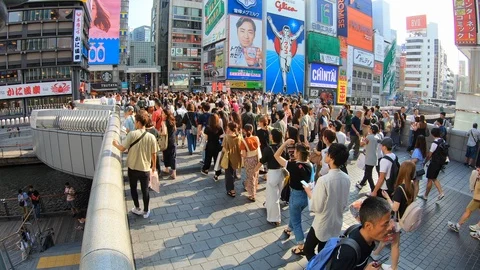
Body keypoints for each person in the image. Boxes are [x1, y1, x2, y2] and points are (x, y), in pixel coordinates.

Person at [303, 143, 350, 261]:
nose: (325, 155)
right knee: (325, 253)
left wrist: (308, 191)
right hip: (336, 223)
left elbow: (316, 206)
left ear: (332, 158)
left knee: (308, 249)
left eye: (328, 153)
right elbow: (344, 203)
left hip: (322, 223)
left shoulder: (324, 180)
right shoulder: (346, 178)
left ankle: (315, 266)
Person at [112, 112, 159, 218]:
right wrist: (154, 166)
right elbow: (154, 154)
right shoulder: (151, 136)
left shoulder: (132, 134)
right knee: (145, 190)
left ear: (138, 122)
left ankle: (137, 208)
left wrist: (115, 144)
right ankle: (146, 210)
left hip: (132, 167)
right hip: (145, 168)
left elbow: (122, 148)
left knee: (133, 188)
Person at [371, 161, 416, 270]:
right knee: (387, 236)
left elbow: (395, 208)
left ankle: (393, 267)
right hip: (403, 219)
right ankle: (376, 253)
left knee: (395, 244)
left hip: (396, 221)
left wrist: (387, 198)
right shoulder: (412, 185)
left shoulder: (400, 189)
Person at [328, 196, 393, 270]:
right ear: (368, 226)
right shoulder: (348, 252)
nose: (390, 227)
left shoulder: (367, 238)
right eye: (385, 224)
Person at [274, 139, 312, 255]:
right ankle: (289, 229)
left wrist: (284, 143)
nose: (293, 152)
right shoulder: (309, 164)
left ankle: (301, 245)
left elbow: (276, 155)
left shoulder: (293, 166)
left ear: (298, 153)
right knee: (295, 214)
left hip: (296, 196)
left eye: (295, 151)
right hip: (306, 196)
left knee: (297, 222)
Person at [255, 129, 289, 226]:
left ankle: (275, 218)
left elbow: (262, 161)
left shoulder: (268, 149)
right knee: (276, 195)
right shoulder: (282, 148)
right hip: (281, 173)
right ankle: (268, 206)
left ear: (272, 137)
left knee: (273, 197)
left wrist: (255, 170)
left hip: (273, 173)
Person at [266, 16, 304, 93]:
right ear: (283, 31)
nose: (286, 32)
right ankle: (285, 84)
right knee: (283, 70)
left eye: (287, 31)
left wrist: (300, 29)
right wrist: (270, 22)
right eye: (285, 30)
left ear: (289, 32)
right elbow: (275, 31)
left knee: (289, 62)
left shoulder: (290, 39)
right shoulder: (281, 37)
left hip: (288, 54)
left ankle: (288, 66)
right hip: (282, 54)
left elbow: (297, 35)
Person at [447, 166, 480, 235]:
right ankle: (478, 229)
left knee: (468, 210)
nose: (477, 169)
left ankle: (458, 226)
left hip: (478, 198)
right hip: (477, 197)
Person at [418, 127, 445, 202]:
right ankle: (440, 192)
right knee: (434, 178)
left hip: (434, 163)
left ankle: (426, 195)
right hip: (440, 163)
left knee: (430, 179)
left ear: (432, 134)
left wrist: (424, 162)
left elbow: (429, 155)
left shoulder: (434, 143)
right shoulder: (442, 140)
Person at [240, 124, 261, 201]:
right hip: (256, 158)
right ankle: (255, 189)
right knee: (256, 175)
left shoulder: (244, 141)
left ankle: (252, 195)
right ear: (252, 130)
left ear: (244, 131)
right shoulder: (256, 138)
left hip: (248, 160)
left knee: (250, 176)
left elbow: (244, 154)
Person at [357, 124, 380, 191]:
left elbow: (361, 144)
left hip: (369, 158)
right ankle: (361, 184)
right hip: (374, 158)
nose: (369, 129)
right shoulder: (377, 137)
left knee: (368, 175)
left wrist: (360, 138)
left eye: (370, 128)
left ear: (372, 130)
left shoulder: (369, 137)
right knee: (367, 172)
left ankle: (373, 189)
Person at [201, 114, 224, 181]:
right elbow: (221, 137)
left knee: (208, 158)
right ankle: (216, 174)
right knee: (217, 161)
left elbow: (205, 138)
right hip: (217, 145)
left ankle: (205, 169)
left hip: (209, 145)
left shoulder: (207, 128)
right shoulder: (219, 127)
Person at [223, 122, 242, 198]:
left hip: (229, 158)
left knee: (228, 175)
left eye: (227, 127)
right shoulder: (239, 136)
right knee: (233, 172)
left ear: (230, 128)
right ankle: (232, 187)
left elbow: (224, 149)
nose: (226, 129)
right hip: (237, 157)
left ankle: (231, 190)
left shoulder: (227, 137)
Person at [162, 108, 177, 179]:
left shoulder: (164, 122)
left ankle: (167, 169)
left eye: (163, 113)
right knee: (173, 156)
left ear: (165, 115)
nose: (161, 115)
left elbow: (164, 132)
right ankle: (174, 172)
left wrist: (159, 133)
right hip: (173, 140)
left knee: (166, 154)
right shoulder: (172, 121)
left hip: (166, 141)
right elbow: (175, 129)